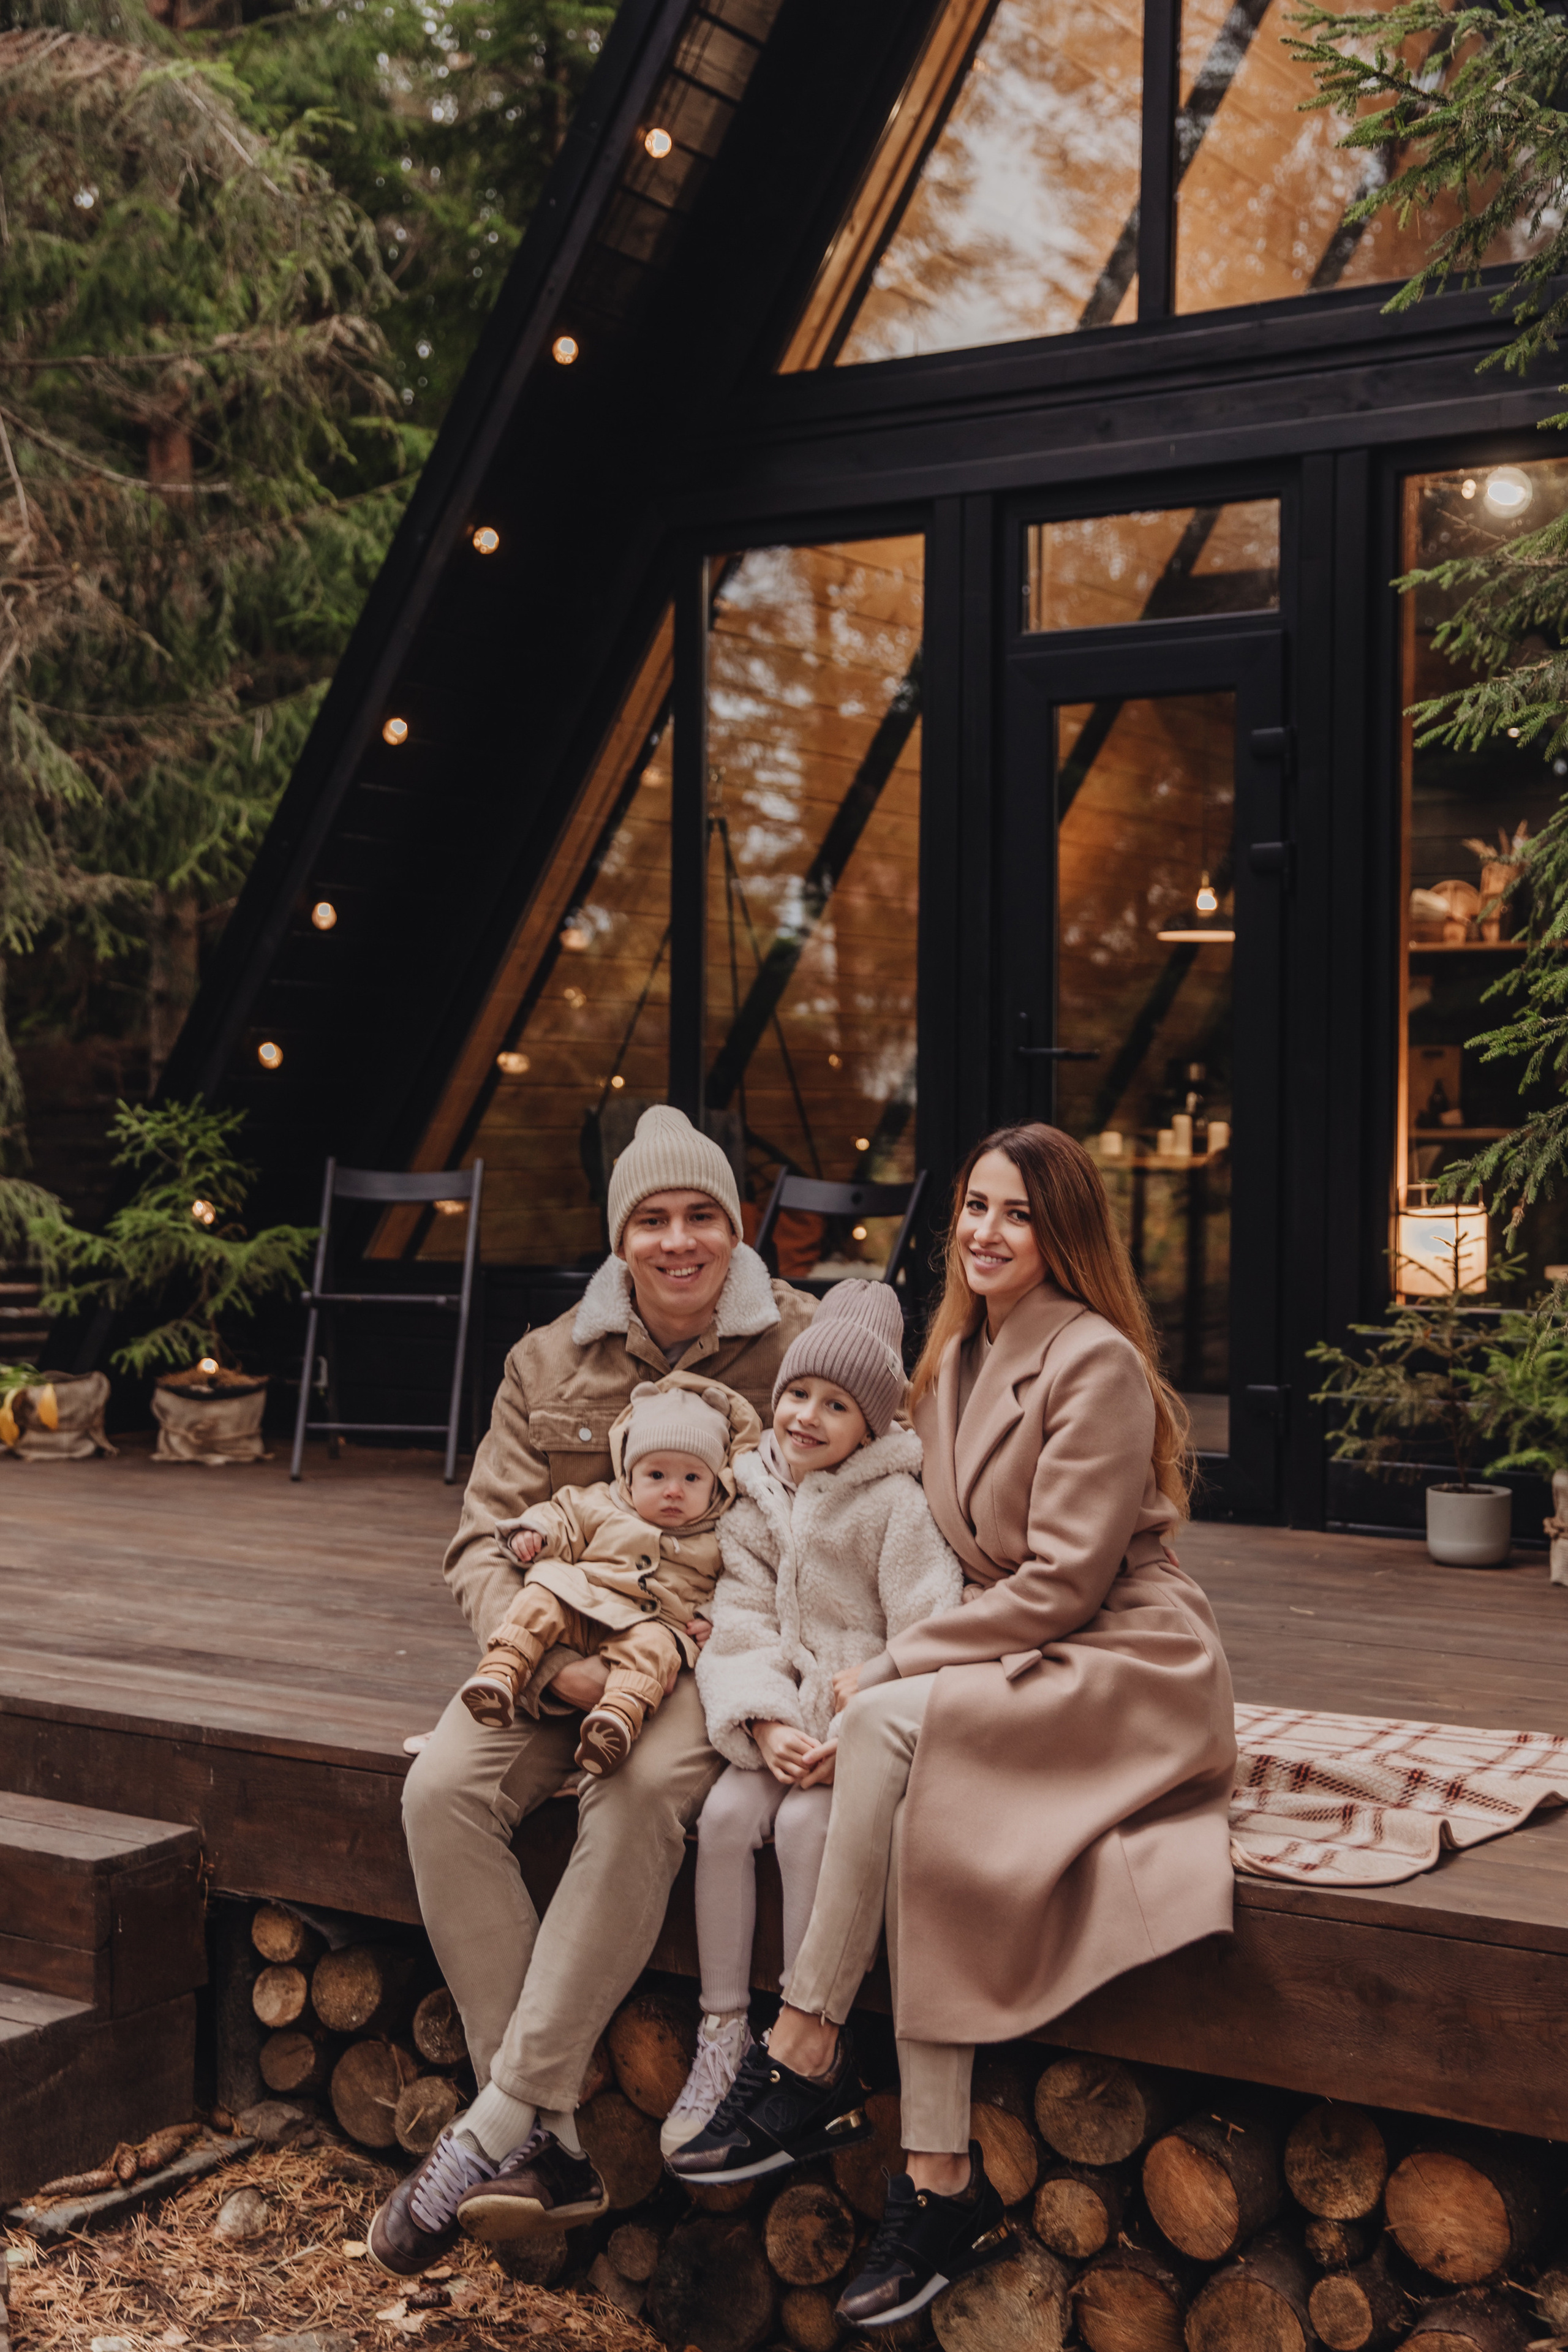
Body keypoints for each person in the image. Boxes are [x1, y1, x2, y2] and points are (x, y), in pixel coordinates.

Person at [671, 1123, 1238, 2334]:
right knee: (894, 1753)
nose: (984, 1231)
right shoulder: (951, 1359)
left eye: (1016, 1214)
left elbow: (1064, 1586)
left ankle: (807, 2043)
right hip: (1009, 1650)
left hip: (1120, 1661)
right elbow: (835, 1457)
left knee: (882, 1725)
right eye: (974, 1207)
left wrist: (883, 1662)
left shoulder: (1092, 1364)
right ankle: (931, 2173)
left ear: (1062, 1233)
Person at [369, 1104, 815, 2275]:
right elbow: (479, 1545)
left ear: (738, 1228)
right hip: (558, 1647)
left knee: (634, 1800)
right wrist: (553, 1663)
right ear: (623, 1239)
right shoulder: (548, 1359)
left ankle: (497, 2124)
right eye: (653, 1220)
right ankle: (551, 2134)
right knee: (441, 1797)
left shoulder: (801, 1351)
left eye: (703, 1215)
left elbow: (865, 1512)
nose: (679, 1241)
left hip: (703, 1662)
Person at [660, 1282, 963, 2158]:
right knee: (720, 1819)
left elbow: (927, 1628)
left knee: (801, 1831)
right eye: (798, 1394)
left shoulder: (895, 1505)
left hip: (853, 1735)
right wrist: (758, 1726)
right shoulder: (757, 1495)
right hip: (778, 1723)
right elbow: (741, 1622)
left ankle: (804, 2051)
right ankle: (724, 2034)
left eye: (837, 1406)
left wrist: (847, 1736)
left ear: (872, 1426)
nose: (808, 1417)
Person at [459, 1374, 760, 1779]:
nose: (674, 1491)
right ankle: (502, 1669)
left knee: (656, 1650)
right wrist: (535, 1534)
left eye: (692, 1478)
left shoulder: (720, 1534)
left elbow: (740, 1585)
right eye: (657, 1476)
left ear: (716, 1483)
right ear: (630, 1474)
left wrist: (715, 1620)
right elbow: (560, 1517)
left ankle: (616, 1719)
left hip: (654, 1623)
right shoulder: (601, 1502)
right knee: (542, 1594)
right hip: (583, 1603)